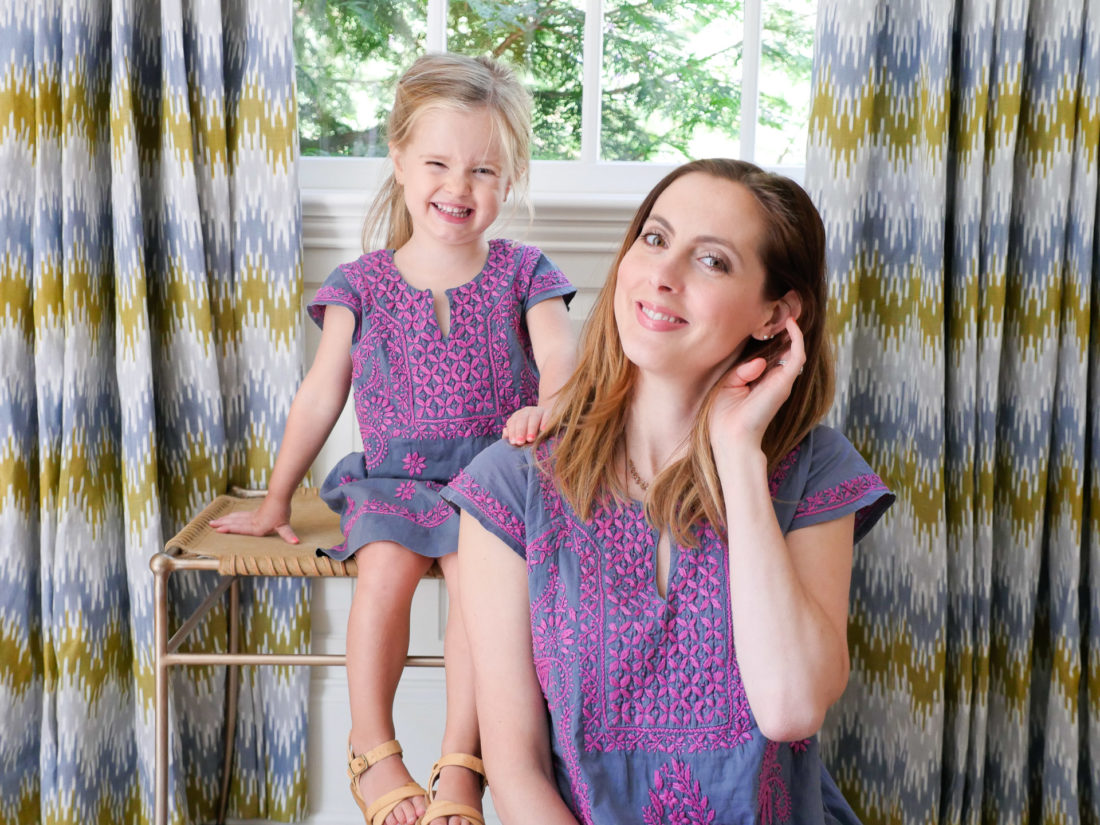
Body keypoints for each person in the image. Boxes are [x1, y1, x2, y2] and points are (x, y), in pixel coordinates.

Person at [443, 158, 895, 824]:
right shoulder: (509, 486)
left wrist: (738, 453)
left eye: (711, 261)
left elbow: (791, 706)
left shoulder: (814, 469)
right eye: (654, 239)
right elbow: (517, 771)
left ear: (776, 312)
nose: (662, 274)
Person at [211, 53, 576, 825]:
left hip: (491, 486)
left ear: (509, 179)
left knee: (479, 604)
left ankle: (462, 762)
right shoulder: (362, 282)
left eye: (483, 169)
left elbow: (564, 357)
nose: (458, 186)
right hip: (394, 481)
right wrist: (278, 495)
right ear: (400, 157)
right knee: (383, 571)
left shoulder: (524, 271)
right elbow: (320, 395)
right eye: (439, 162)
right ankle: (373, 747)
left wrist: (547, 408)